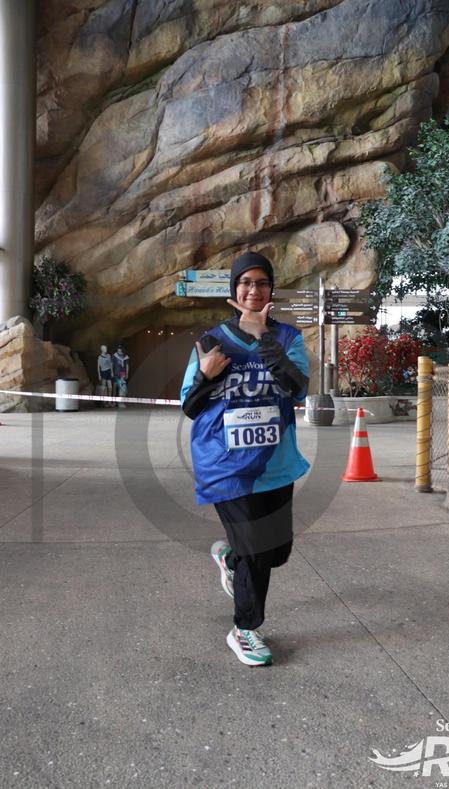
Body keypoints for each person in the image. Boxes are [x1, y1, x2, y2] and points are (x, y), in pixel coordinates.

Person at [181, 251, 310, 667]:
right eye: (245, 282)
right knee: (258, 549)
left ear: (271, 289)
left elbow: (297, 389)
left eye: (262, 282)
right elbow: (190, 406)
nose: (254, 289)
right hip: (227, 465)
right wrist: (206, 375)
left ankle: (230, 558)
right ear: (234, 289)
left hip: (275, 464)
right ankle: (245, 629)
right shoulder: (211, 341)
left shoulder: (288, 338)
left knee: (276, 552)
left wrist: (264, 338)